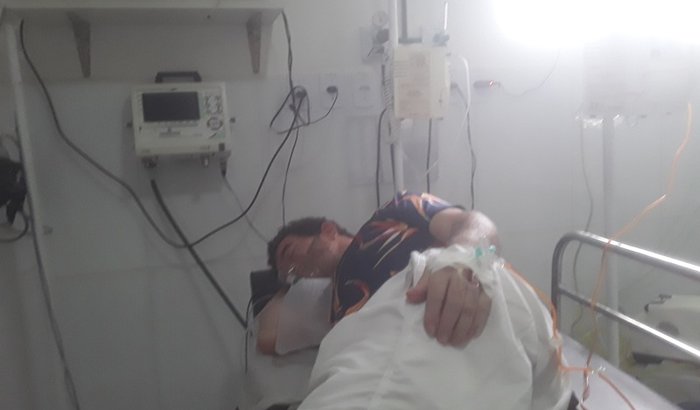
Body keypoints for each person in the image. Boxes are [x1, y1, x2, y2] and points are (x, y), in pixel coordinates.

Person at [258, 191, 498, 354]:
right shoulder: (335, 309)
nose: (294, 268)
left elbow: (474, 224)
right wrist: (284, 285)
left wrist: (461, 260)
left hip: (463, 309)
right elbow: (266, 339)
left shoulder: (391, 214)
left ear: (328, 231)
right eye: (289, 271)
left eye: (290, 252)